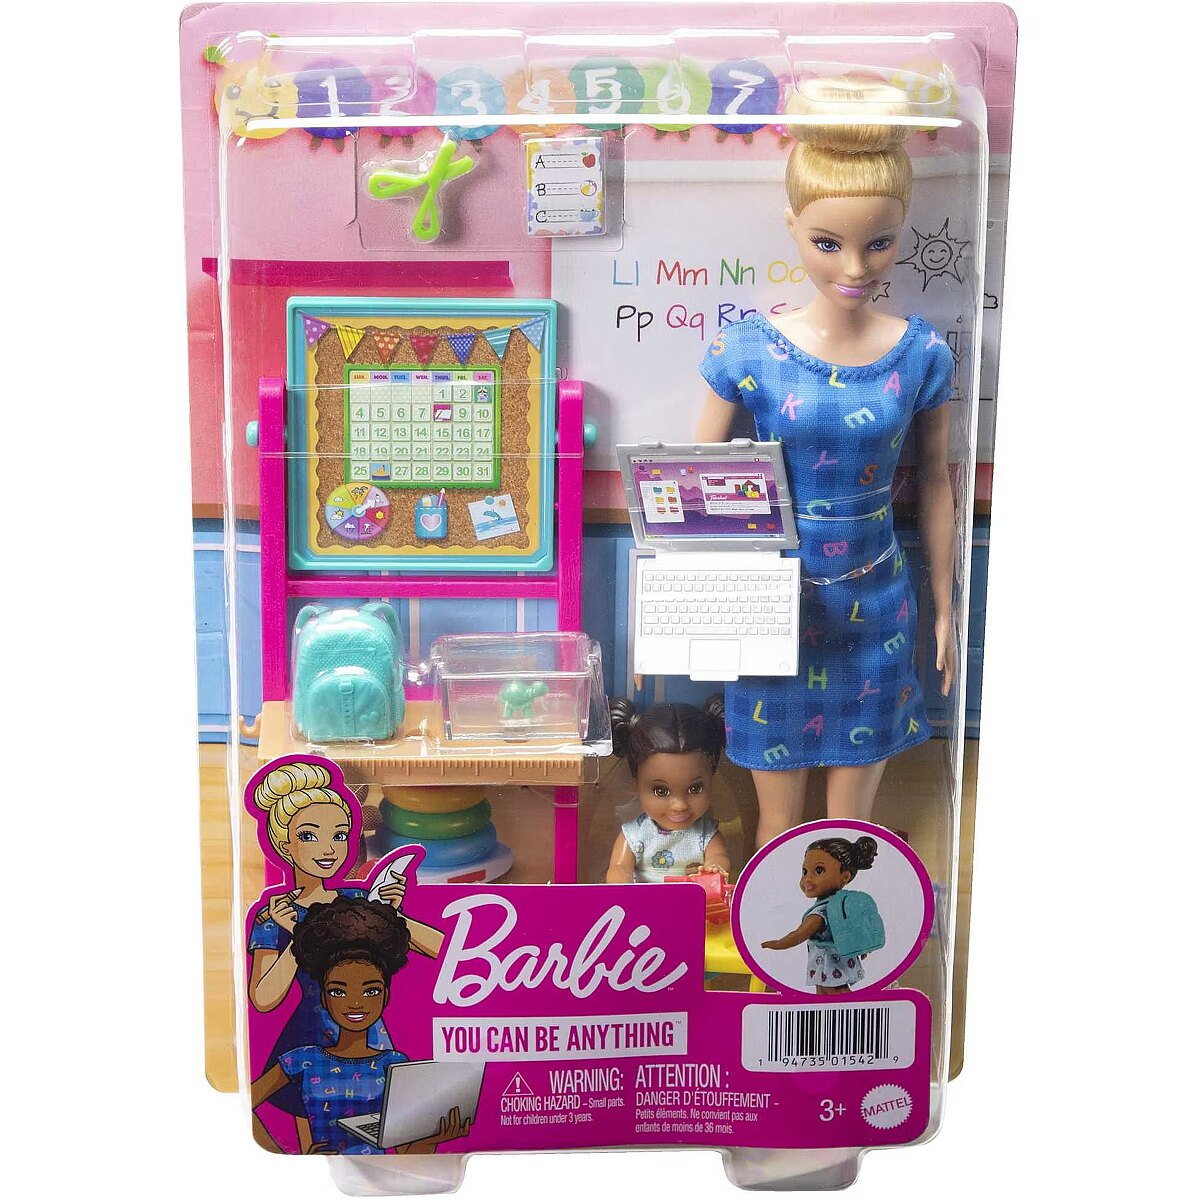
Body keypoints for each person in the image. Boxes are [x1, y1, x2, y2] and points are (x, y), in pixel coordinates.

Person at [696, 78, 957, 843]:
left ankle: (842, 921)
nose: (855, 266)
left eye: (879, 242)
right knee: (776, 827)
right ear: (793, 227)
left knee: (850, 828)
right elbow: (688, 483)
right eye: (828, 242)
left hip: (877, 597)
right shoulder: (747, 350)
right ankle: (773, 926)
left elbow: (936, 484)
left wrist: (945, 606)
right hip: (768, 598)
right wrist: (671, 609)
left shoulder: (921, 354)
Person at [246, 761, 441, 1139]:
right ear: (284, 845)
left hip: (370, 1037)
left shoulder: (356, 900)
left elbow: (442, 950)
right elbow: (264, 998)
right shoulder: (275, 917)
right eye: (309, 836)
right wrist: (296, 936)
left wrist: (394, 914)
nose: (328, 849)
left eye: (339, 835)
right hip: (307, 1039)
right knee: (314, 1143)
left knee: (386, 1132)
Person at [252, 896, 470, 1154]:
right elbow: (246, 1103)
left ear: (385, 996)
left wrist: (432, 1139)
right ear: (324, 998)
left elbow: (405, 1154)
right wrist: (286, 1152)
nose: (355, 1003)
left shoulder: (394, 1064)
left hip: (388, 1173)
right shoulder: (301, 1060)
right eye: (338, 992)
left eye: (370, 991)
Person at [606, 697, 732, 883]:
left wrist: (714, 867)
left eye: (695, 788)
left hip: (692, 900)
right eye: (661, 791)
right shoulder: (635, 835)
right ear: (636, 783)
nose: (679, 805)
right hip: (645, 901)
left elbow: (719, 857)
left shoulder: (705, 834)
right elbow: (618, 867)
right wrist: (621, 887)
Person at [760, 835, 880, 994]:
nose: (807, 879)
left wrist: (776, 944)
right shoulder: (842, 902)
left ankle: (855, 1011)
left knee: (837, 994)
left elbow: (798, 935)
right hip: (832, 962)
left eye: (819, 870)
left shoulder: (821, 912)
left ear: (845, 876)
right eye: (805, 871)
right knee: (823, 994)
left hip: (829, 963)